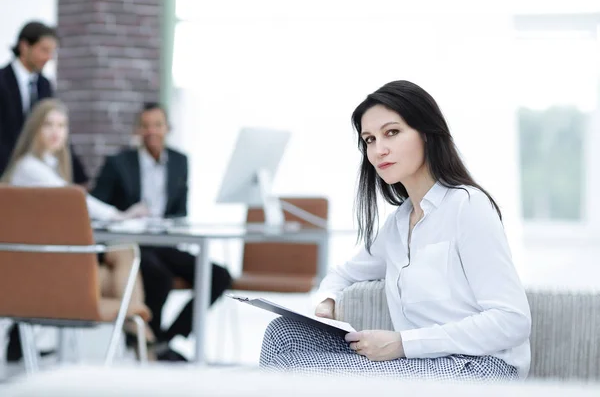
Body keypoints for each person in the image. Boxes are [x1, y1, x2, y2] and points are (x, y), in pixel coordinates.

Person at [259, 80, 531, 382]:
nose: (378, 150)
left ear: (426, 134)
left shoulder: (467, 205)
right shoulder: (400, 223)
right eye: (369, 139)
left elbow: (512, 321)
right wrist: (327, 302)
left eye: (392, 133)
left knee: (297, 371)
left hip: (480, 366)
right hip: (422, 362)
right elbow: (343, 273)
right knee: (282, 334)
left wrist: (403, 343)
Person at [1, 98, 153, 361]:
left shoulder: (49, 167)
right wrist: (119, 215)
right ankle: (138, 328)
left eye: (62, 125)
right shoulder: (30, 168)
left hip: (46, 268)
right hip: (38, 274)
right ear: (34, 130)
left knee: (123, 253)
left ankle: (136, 326)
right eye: (48, 125)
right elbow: (77, 199)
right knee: (125, 253)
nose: (55, 132)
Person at [91, 102, 232, 361]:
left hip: (166, 243)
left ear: (168, 128)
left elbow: (179, 211)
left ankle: (164, 339)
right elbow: (97, 206)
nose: (151, 131)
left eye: (157, 125)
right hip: (132, 245)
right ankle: (148, 342)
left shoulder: (179, 162)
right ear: (137, 130)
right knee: (159, 277)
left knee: (219, 276)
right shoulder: (118, 163)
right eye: (145, 126)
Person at [0, 21, 88, 185]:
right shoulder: (2, 81)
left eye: (52, 52)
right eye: (44, 50)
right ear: (24, 47)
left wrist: (80, 177)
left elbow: (54, 125)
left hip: (35, 175)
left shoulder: (44, 85)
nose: (49, 57)